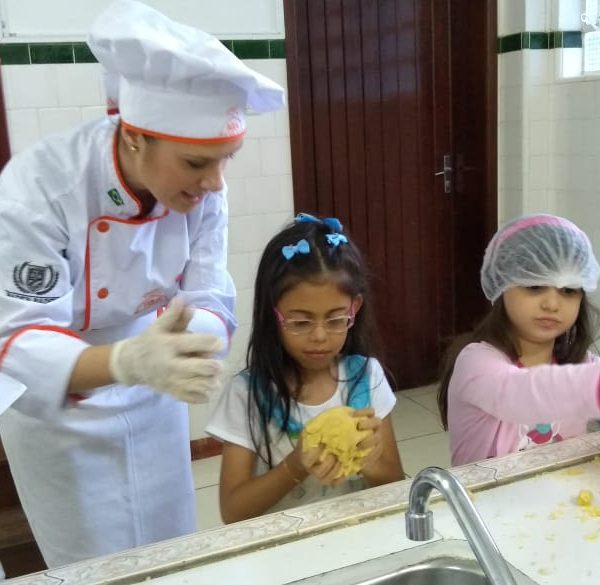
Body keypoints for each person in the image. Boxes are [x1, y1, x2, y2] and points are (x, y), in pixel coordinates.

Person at [0, 0, 284, 569]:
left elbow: (209, 292)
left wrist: (187, 344)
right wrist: (126, 361)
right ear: (134, 138)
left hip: (153, 389)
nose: (214, 182)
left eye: (226, 159)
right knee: (93, 567)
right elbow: (16, 340)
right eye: (196, 163)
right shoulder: (40, 188)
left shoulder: (206, 189)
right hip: (63, 411)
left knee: (172, 550)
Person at [206, 213, 404, 523]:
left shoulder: (366, 377)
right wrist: (296, 465)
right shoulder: (247, 394)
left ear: (355, 309)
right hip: (284, 543)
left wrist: (368, 459)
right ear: (273, 315)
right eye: (300, 322)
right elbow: (232, 511)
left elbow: (394, 482)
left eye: (336, 319)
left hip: (355, 536)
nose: (320, 336)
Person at [437, 214, 600, 466]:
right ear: (503, 285)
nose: (551, 304)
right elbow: (518, 394)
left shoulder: (582, 363)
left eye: (568, 291)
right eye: (534, 286)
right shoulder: (476, 362)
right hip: (488, 491)